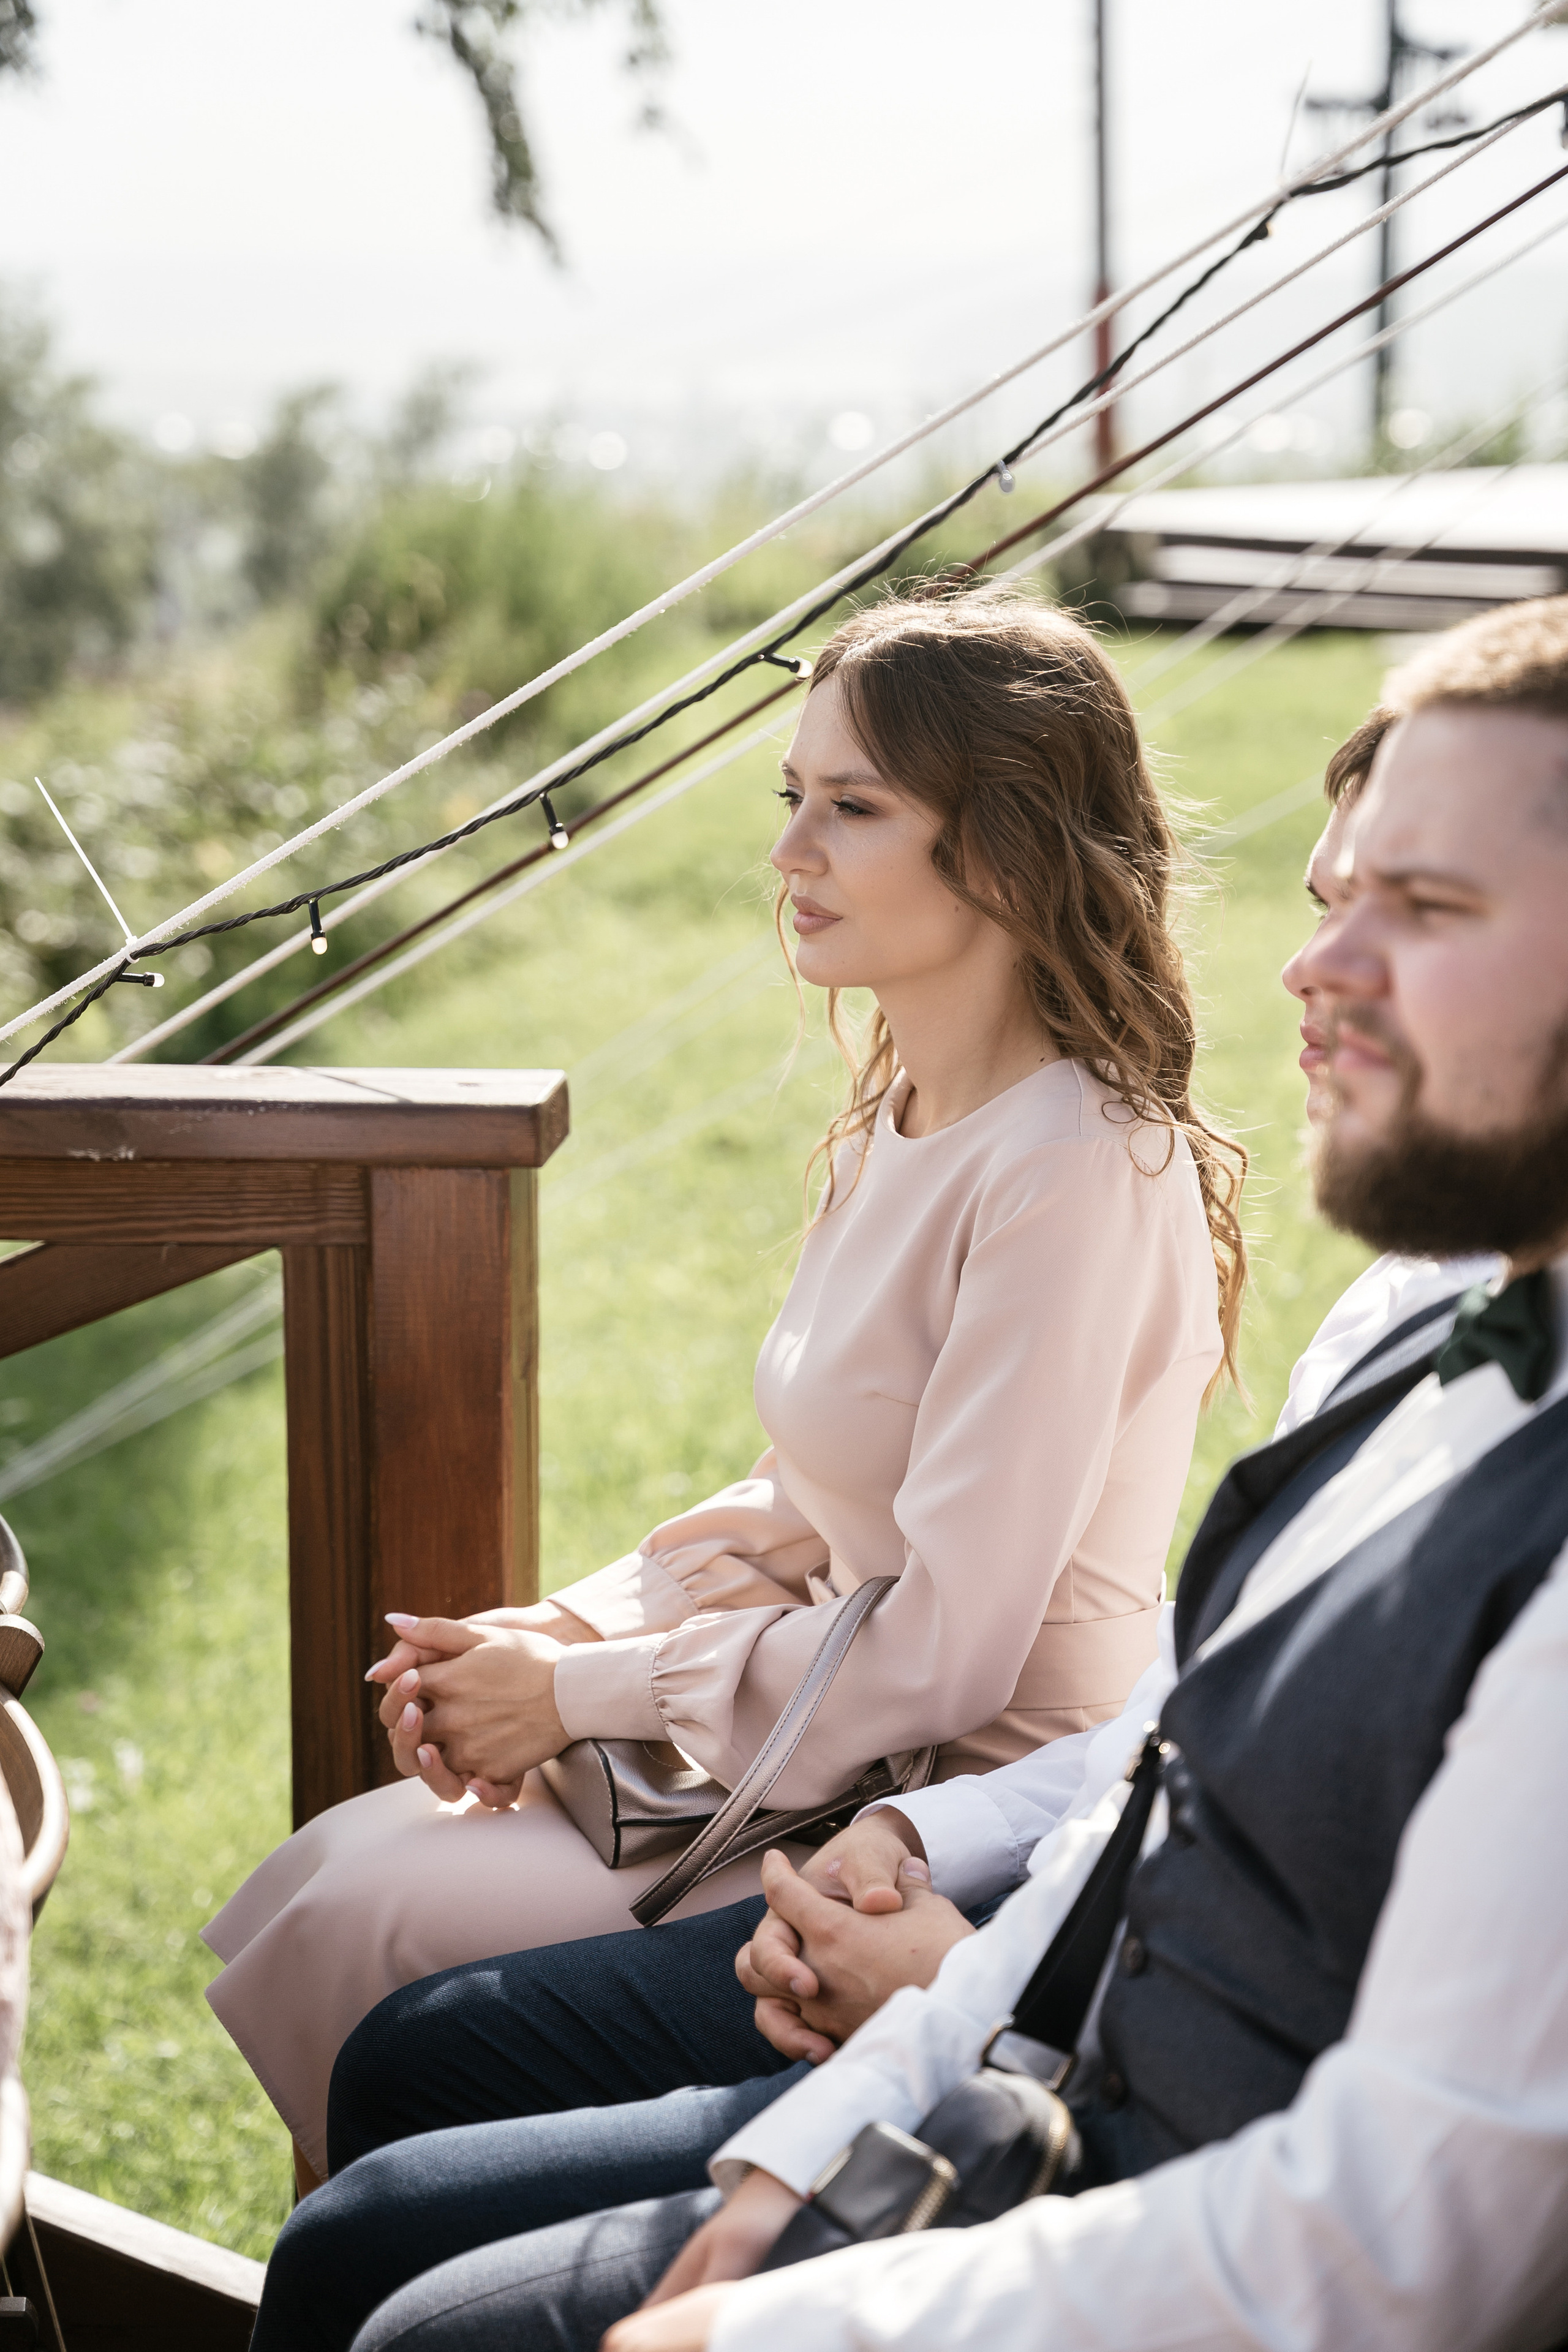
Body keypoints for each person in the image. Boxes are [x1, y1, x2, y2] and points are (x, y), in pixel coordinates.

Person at [315, 592, 1568, 2352]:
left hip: (1121, 2138)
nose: (1314, 968)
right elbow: (1148, 1763)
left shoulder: (1083, 1169)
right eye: (1333, 897)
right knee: (384, 2168)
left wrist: (778, 2303)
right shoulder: (1405, 1330)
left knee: (399, 2193)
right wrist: (831, 2116)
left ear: (995, 849)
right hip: (999, 1975)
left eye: (1424, 908)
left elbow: (1403, 2230)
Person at [205, 587, 1243, 2180]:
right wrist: (571, 1622)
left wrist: (571, 1700)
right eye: (791, 799)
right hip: (803, 1735)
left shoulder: (1074, 1172)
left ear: (1009, 843)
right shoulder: (901, 1109)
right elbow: (799, 1499)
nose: (791, 855)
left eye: (855, 809)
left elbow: (950, 1647)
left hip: (947, 1802)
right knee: (337, 1879)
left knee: (377, 1918)